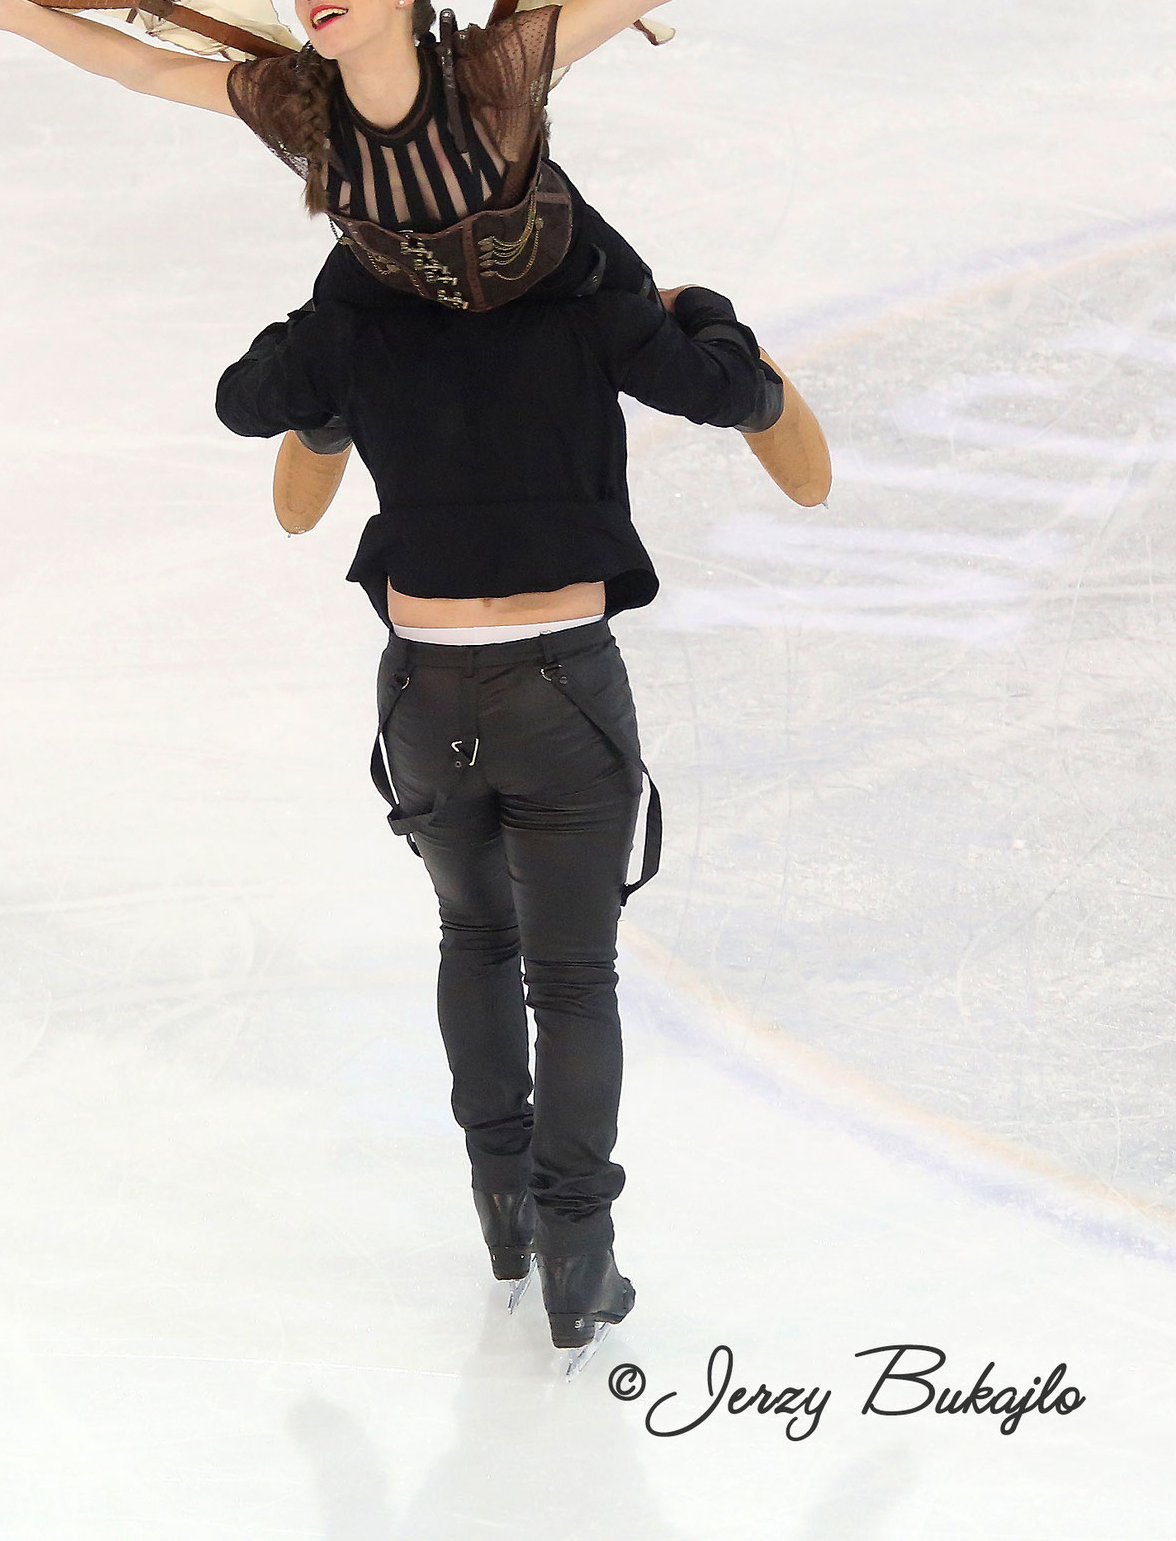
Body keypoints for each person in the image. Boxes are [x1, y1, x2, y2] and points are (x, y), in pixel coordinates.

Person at [214, 222, 784, 1357]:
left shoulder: (362, 302)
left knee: (475, 937)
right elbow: (724, 388)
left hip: (425, 688)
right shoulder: (582, 285)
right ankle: (581, 1256)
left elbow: (247, 400)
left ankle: (505, 1213)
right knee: (573, 979)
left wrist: (325, 340)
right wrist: (701, 306)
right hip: (559, 685)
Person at [0, 0, 912, 322]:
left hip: (554, 269)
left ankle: (711, 335)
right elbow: (144, 68)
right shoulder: (295, 97)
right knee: (267, 394)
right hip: (398, 292)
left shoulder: (493, 72)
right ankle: (324, 415)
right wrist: (13, 15)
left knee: (689, 379)